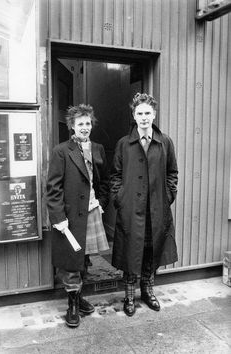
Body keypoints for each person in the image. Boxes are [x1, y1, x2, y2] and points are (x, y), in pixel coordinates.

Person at [110, 93, 178, 316]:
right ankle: (129, 296)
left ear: (154, 114)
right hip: (131, 209)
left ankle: (147, 291)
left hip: (157, 210)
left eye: (148, 113)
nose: (144, 117)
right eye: (139, 113)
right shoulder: (123, 144)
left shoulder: (165, 142)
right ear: (134, 115)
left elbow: (172, 173)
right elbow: (116, 175)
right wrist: (120, 198)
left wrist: (168, 195)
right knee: (132, 251)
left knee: (152, 250)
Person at [47, 104, 109, 327]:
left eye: (88, 123)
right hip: (70, 217)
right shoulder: (61, 151)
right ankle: (72, 304)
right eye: (80, 123)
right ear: (72, 126)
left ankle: (80, 297)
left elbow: (104, 180)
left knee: (84, 259)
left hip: (92, 211)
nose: (85, 127)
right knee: (72, 261)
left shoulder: (98, 149)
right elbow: (53, 189)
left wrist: (101, 201)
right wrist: (58, 218)